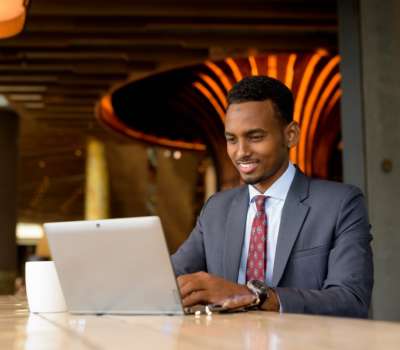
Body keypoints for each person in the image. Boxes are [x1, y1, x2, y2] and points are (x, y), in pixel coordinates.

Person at [171, 76, 373, 318]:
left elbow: (351, 299)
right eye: (231, 139)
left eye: (255, 137)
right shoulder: (216, 209)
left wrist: (254, 296)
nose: (241, 152)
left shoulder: (340, 204)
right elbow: (169, 277)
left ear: (291, 135)